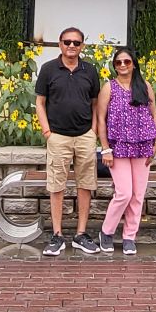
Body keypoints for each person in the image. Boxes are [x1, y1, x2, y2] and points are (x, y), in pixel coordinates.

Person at [34, 26, 102, 256]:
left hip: (84, 136)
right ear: (60, 44)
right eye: (67, 42)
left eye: (76, 42)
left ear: (82, 46)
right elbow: (40, 103)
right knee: (56, 186)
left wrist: (93, 131)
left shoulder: (89, 70)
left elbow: (95, 103)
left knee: (85, 184)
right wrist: (47, 132)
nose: (71, 46)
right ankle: (57, 235)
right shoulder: (48, 69)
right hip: (58, 137)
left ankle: (81, 234)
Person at [96, 45, 156, 256]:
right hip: (118, 147)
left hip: (143, 145)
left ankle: (129, 236)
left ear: (134, 64)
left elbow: (153, 114)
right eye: (118, 62)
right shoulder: (109, 88)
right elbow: (101, 120)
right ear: (114, 66)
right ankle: (106, 232)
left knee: (137, 195)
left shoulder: (144, 86)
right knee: (124, 193)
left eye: (127, 61)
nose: (122, 65)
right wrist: (105, 149)